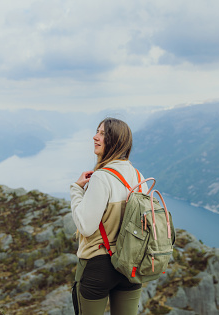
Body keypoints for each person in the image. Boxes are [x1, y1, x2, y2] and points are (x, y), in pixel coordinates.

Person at [70, 117, 147, 315]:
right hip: (131, 266)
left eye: (103, 134)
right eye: (97, 132)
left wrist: (76, 190)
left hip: (98, 266)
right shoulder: (140, 178)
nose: (95, 137)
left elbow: (86, 227)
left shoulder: (102, 177)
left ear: (116, 141)